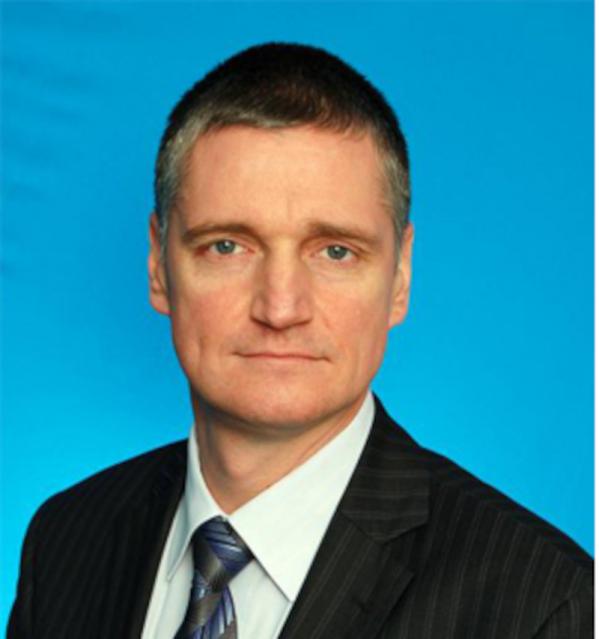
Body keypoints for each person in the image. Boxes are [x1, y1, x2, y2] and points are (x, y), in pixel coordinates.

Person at [8, 42, 592, 639]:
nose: (280, 309)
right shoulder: (66, 539)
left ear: (400, 277)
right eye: (227, 246)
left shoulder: (543, 604)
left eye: (336, 251)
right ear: (159, 264)